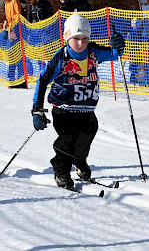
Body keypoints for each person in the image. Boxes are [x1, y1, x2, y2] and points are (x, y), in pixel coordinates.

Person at [31, 11, 125, 190]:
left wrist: (118, 45)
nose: (81, 43)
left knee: (87, 135)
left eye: (84, 38)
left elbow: (115, 54)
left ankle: (79, 160)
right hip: (63, 109)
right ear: (67, 37)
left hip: (87, 110)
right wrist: (37, 109)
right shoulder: (62, 57)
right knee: (69, 138)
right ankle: (61, 170)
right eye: (76, 38)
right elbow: (42, 80)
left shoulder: (94, 51)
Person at [0, 0, 26, 89]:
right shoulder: (5, 4)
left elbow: (18, 15)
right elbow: (9, 17)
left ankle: (21, 79)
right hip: (10, 31)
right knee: (11, 55)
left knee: (18, 55)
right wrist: (6, 24)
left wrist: (10, 26)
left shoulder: (14, 0)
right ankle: (12, 78)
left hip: (17, 31)